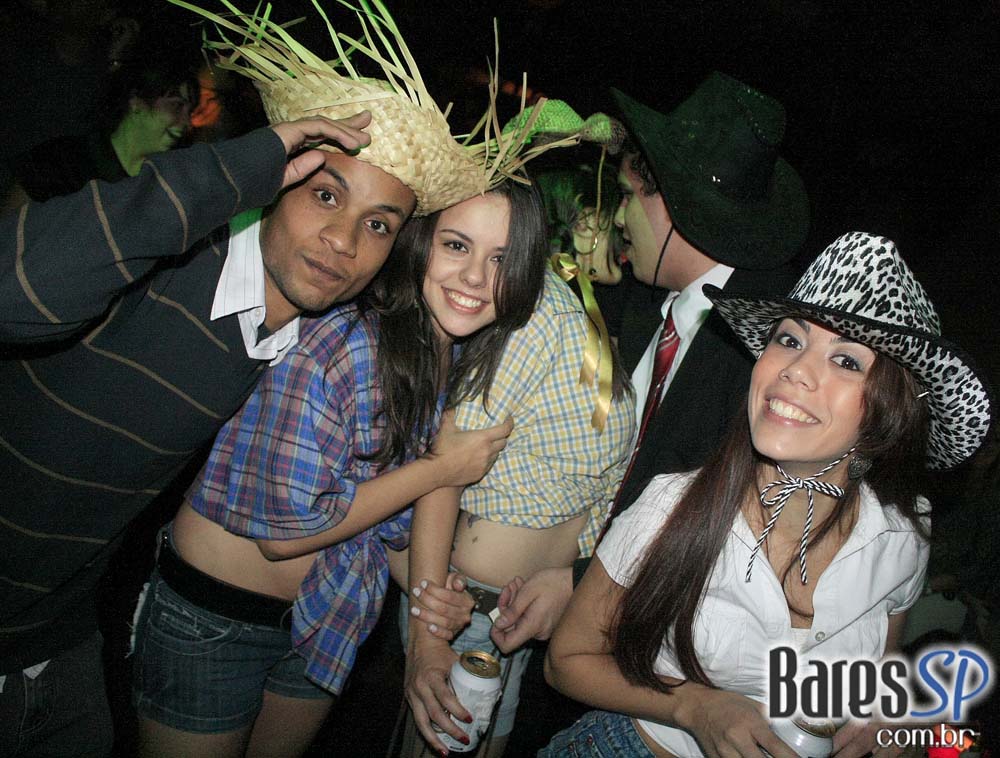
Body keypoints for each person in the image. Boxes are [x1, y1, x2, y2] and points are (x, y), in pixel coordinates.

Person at [0, 0, 505, 750]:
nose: (342, 240)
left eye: (377, 224)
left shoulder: (314, 340)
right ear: (274, 180)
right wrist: (241, 164)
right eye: (325, 194)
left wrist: (433, 606)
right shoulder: (159, 268)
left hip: (61, 639)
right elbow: (12, 294)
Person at [541, 231, 993, 758]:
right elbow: (565, 660)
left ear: (888, 413)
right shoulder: (672, 507)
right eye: (790, 340)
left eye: (846, 361)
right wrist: (691, 707)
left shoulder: (901, 535)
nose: (796, 370)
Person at [130, 178, 542, 756]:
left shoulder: (450, 356)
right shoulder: (344, 340)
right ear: (418, 243)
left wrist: (428, 598)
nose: (476, 277)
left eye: (500, 259)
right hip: (213, 618)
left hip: (325, 619)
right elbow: (283, 535)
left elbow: (373, 518)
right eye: (456, 245)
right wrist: (440, 469)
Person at [489, 71, 809, 663]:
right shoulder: (646, 299)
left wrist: (584, 580)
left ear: (675, 207)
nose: (616, 218)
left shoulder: (771, 347)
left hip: (651, 647)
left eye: (629, 196)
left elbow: (722, 516)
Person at [400, 183, 636, 756]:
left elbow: (602, 483)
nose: (621, 225)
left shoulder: (566, 306)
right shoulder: (532, 315)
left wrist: (573, 580)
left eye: (502, 256)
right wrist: (428, 634)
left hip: (520, 617)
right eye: (458, 245)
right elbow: (444, 472)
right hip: (464, 606)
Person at [4, 31, 200, 209]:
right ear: (137, 101)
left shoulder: (159, 190)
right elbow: (10, 225)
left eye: (189, 112)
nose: (186, 123)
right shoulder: (60, 162)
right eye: (177, 106)